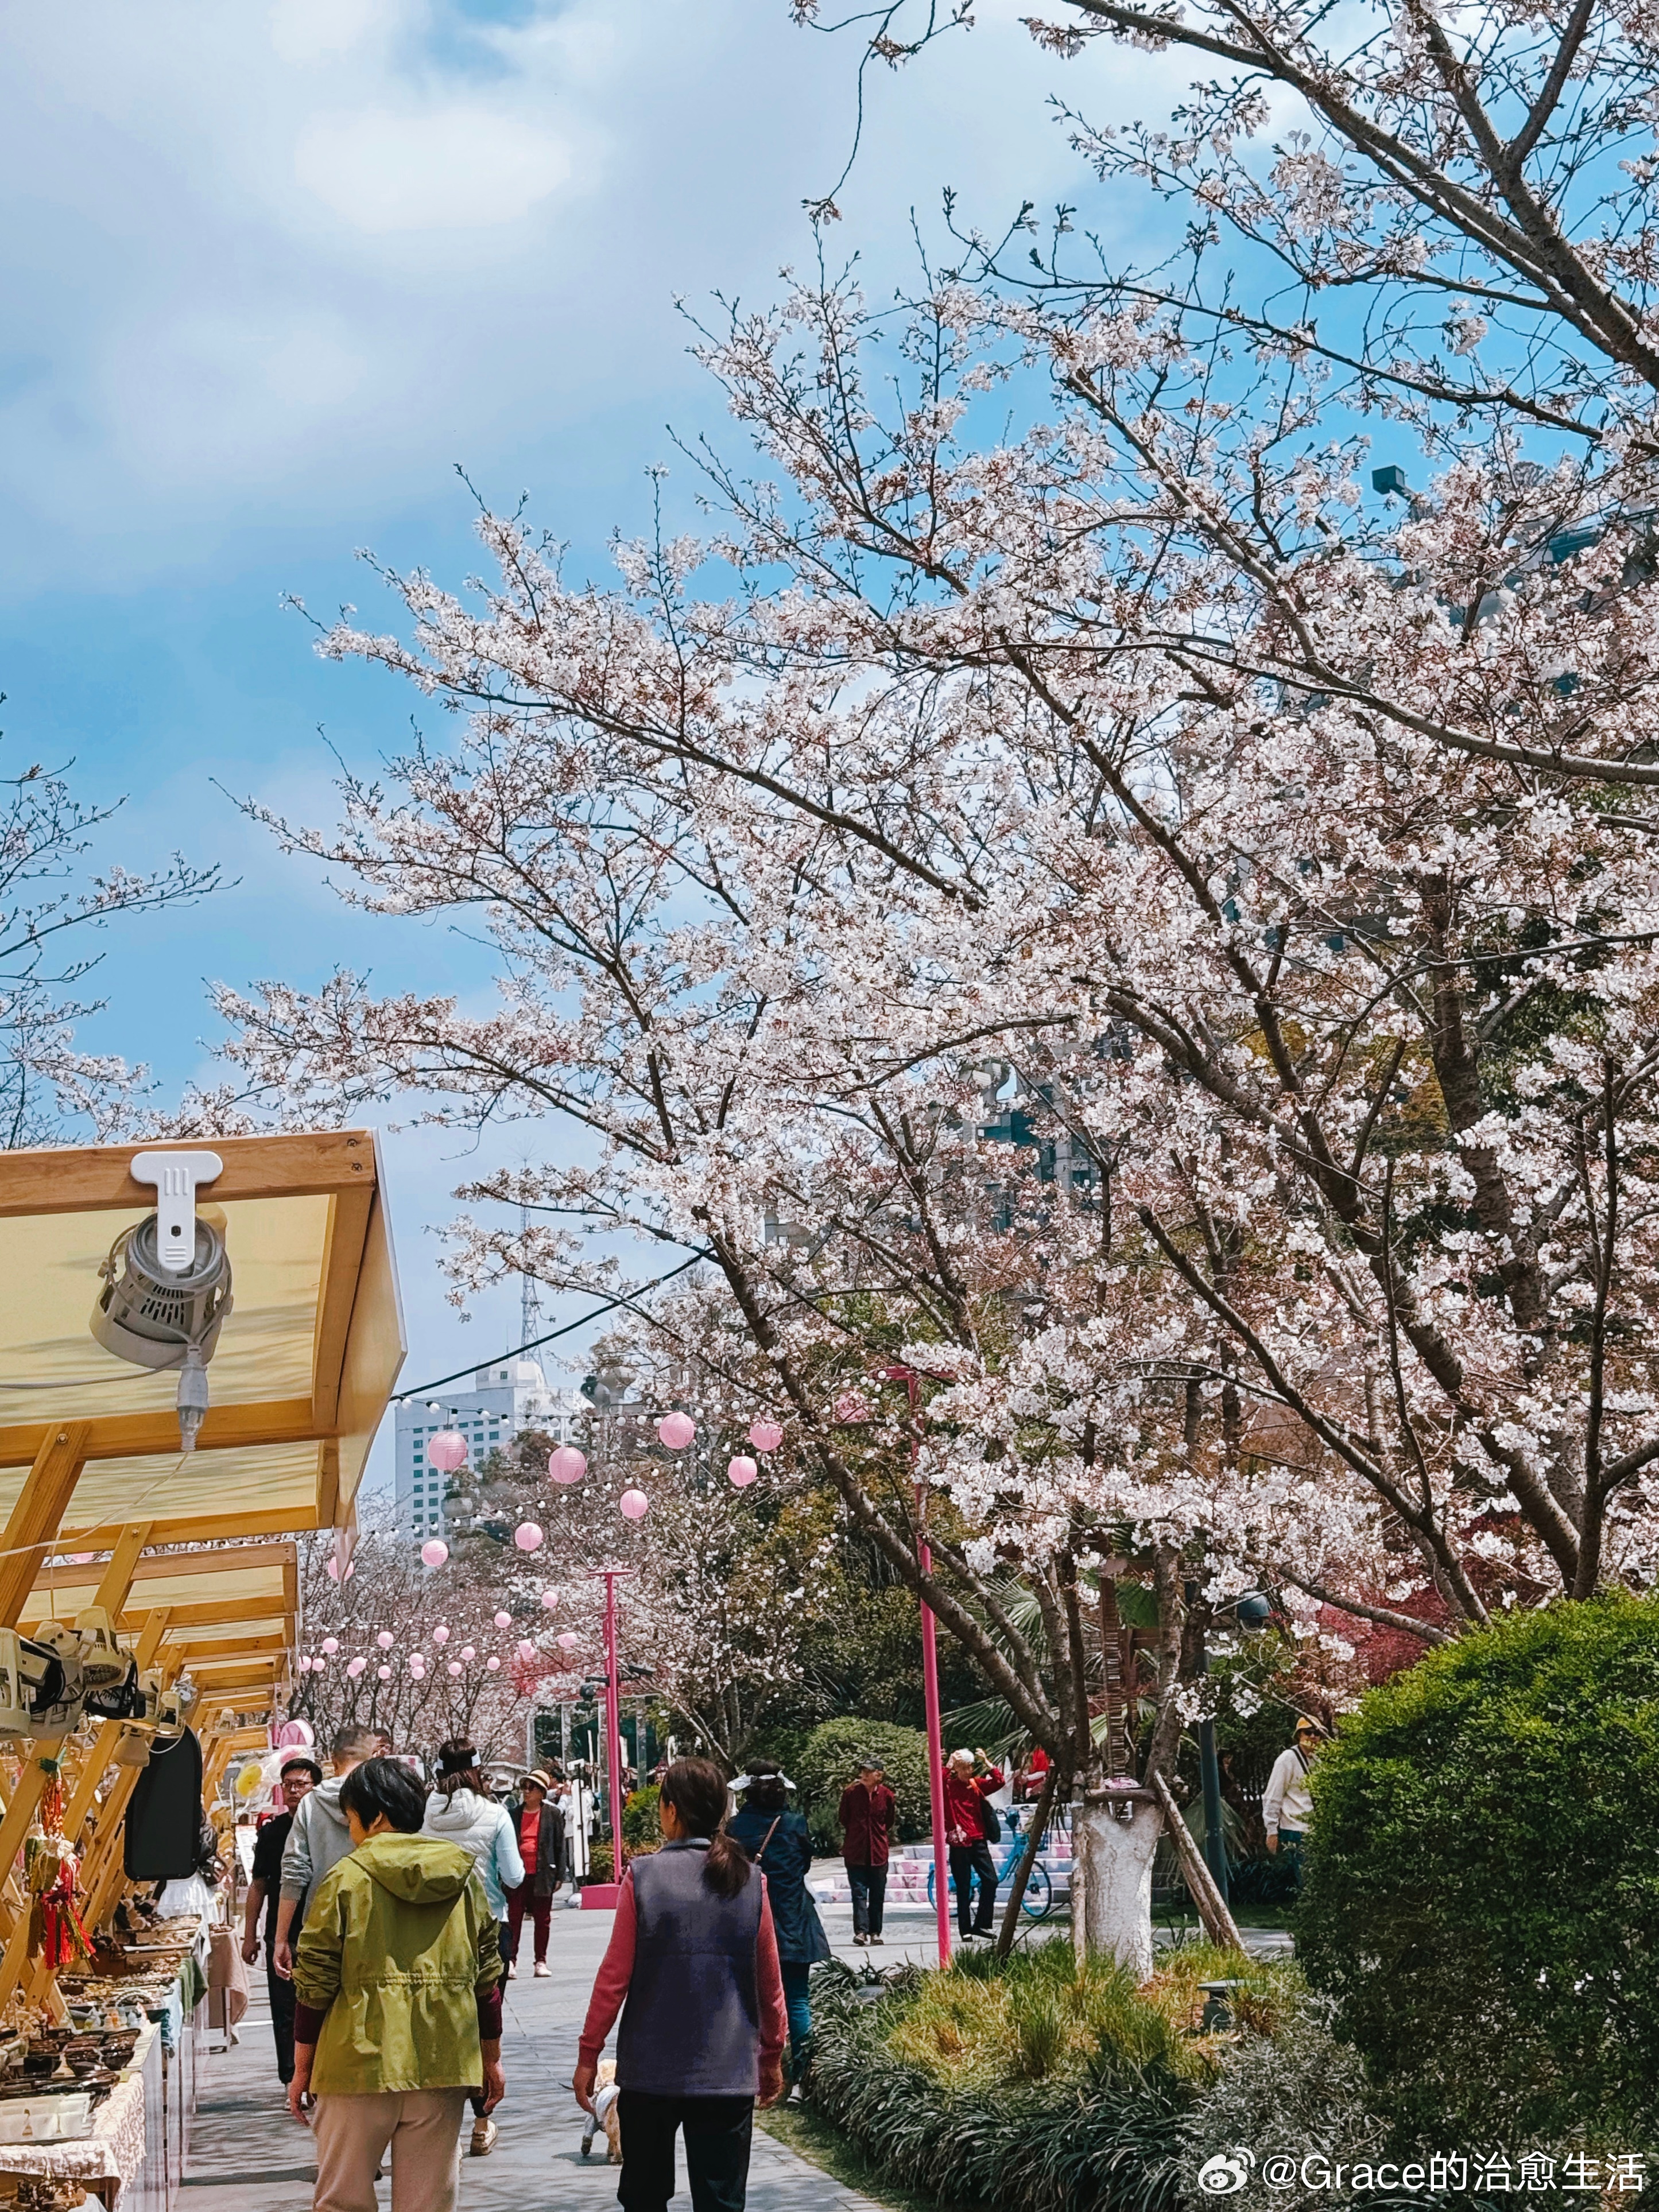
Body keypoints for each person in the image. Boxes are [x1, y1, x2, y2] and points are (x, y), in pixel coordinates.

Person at [290, 1757, 505, 2212]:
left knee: (341, 2203)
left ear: (377, 1816)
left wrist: (302, 2067)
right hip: (443, 2059)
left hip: (355, 2065)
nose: (351, 1833)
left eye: (351, 1820)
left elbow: (315, 1981)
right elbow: (488, 1977)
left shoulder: (345, 1879)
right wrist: (492, 2059)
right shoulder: (463, 1877)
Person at [574, 1757, 786, 2212]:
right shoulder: (751, 1881)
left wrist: (589, 2054)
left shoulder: (644, 1877)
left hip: (650, 2074)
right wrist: (771, 2056)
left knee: (644, 2198)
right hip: (727, 2072)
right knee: (721, 2201)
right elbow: (770, 1983)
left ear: (670, 1811)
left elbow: (613, 1980)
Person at [422, 1741, 525, 2156]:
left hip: (434, 1931)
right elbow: (515, 1877)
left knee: (441, 2028)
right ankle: (482, 2124)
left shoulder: (421, 1814)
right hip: (487, 1928)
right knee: (486, 2025)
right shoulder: (495, 1814)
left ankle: (440, 2129)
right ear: (478, 1770)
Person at [728, 1760, 829, 2084]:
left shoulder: (735, 1828)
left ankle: (752, 2073)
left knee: (750, 2001)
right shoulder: (796, 1823)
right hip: (795, 1921)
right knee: (798, 1998)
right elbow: (803, 1867)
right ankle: (802, 2073)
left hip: (749, 1921)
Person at [242, 1752, 321, 2093]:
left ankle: (320, 2075)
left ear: (315, 1788)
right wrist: (250, 1936)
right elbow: (258, 1885)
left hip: (321, 1928)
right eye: (287, 1785)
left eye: (300, 1785)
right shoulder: (272, 1833)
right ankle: (292, 2078)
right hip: (282, 1931)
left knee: (320, 2004)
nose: (293, 1791)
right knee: (285, 2006)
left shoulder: (327, 1829)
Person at [274, 1726, 378, 1980]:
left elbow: (294, 1871)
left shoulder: (311, 1802)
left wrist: (281, 1939)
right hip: (376, 1920)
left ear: (333, 1760)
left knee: (322, 2011)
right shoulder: (381, 1798)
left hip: (322, 1924)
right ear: (373, 1756)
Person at [506, 1769, 565, 1980]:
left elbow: (560, 1846)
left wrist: (560, 1874)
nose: (526, 1792)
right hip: (517, 1875)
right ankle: (511, 1961)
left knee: (543, 1920)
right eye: (524, 1787)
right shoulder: (513, 1814)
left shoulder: (553, 1814)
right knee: (513, 1919)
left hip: (543, 1874)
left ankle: (541, 1961)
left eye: (531, 1788)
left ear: (542, 1792)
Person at [943, 1747, 1004, 1942]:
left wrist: (987, 1763)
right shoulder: (950, 1787)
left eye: (970, 1767)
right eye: (964, 1768)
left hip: (978, 1840)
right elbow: (938, 1783)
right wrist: (949, 1763)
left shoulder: (975, 1784)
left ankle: (982, 1924)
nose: (968, 1771)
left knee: (991, 1880)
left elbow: (998, 1782)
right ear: (957, 1769)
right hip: (959, 1843)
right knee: (963, 1886)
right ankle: (965, 1929)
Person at [836, 1756, 895, 1948]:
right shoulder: (851, 1793)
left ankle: (875, 1932)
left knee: (877, 1894)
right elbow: (844, 1818)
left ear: (879, 1775)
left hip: (878, 1852)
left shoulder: (887, 1795)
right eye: (863, 1771)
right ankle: (861, 1931)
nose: (864, 1775)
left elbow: (890, 1820)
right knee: (858, 1893)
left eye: (869, 1772)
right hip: (855, 1851)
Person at [1261, 1717, 1323, 1889]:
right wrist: (1272, 1830)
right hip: (1296, 1830)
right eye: (1308, 1732)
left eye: (1316, 1733)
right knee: (1307, 1881)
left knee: (1316, 1880)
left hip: (1315, 1829)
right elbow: (1273, 1796)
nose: (1313, 1737)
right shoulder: (1287, 1759)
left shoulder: (1317, 1760)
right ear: (1298, 1736)